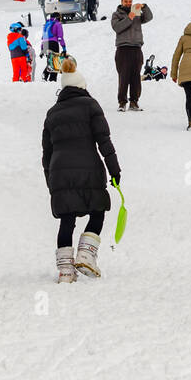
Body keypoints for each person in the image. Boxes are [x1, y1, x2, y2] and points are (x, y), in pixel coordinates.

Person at [41, 57, 121, 283]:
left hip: (59, 171)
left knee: (66, 219)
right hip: (89, 168)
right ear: (82, 85)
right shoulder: (90, 105)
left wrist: (51, 181)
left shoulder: (52, 113)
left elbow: (46, 152)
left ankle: (66, 271)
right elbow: (103, 140)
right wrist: (114, 169)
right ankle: (86, 255)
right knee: (98, 209)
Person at [111, 0, 153, 112]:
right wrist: (129, 17)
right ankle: (122, 102)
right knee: (123, 77)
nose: (128, 3)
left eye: (130, 1)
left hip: (136, 48)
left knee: (135, 77)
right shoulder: (116, 14)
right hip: (123, 49)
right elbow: (117, 28)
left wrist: (144, 7)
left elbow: (149, 18)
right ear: (121, 2)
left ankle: (134, 102)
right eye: (126, 1)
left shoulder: (137, 13)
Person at [41, 12, 66, 82]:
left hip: (45, 44)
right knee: (55, 61)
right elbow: (60, 37)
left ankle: (45, 75)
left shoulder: (46, 24)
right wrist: (64, 48)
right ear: (57, 17)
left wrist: (42, 49)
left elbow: (43, 37)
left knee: (50, 60)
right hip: (53, 44)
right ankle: (52, 79)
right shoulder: (57, 24)